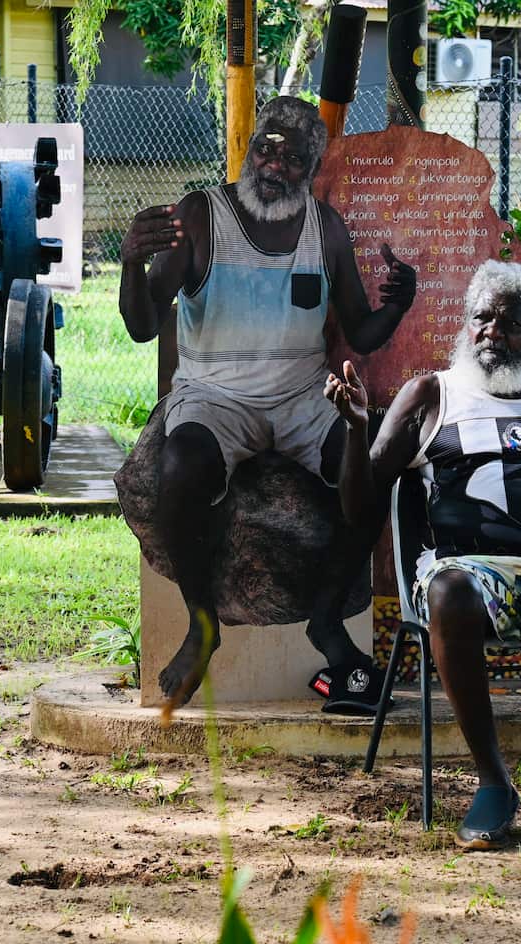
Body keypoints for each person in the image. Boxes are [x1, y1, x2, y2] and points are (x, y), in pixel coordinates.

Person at [325, 260, 521, 849]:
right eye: (482, 318)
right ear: (466, 326)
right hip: (466, 573)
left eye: (513, 322)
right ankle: (494, 784)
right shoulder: (431, 395)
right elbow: (358, 512)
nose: (494, 332)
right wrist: (355, 428)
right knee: (450, 592)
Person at [119, 96, 417, 707]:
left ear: (312, 167)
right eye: (267, 147)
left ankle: (328, 622)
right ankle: (202, 624)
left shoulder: (324, 228)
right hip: (214, 393)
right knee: (179, 464)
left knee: (372, 467)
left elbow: (359, 332)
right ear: (251, 149)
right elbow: (143, 325)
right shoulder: (203, 215)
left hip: (303, 395)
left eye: (294, 156)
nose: (275, 164)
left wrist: (398, 303)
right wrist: (130, 264)